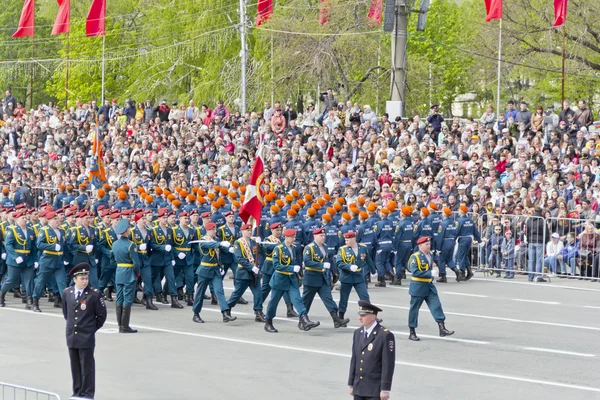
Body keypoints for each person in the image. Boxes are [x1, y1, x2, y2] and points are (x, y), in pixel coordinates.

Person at [62, 262, 107, 400]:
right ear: (74, 279)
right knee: (75, 367)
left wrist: (90, 329)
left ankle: (87, 394)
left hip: (86, 336)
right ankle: (77, 393)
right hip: (72, 336)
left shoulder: (94, 294)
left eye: (86, 278)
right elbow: (66, 313)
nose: (84, 281)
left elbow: (101, 316)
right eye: (82, 278)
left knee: (87, 368)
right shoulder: (67, 293)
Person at [264, 229, 320, 333]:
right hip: (280, 280)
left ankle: (305, 320)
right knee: (273, 302)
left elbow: (294, 261)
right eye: (292, 237)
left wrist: (298, 271)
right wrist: (292, 268)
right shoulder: (278, 249)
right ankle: (268, 322)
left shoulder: (294, 248)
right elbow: (276, 265)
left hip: (291, 279)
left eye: (294, 237)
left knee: (297, 299)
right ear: (286, 237)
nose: (294, 239)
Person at [407, 236, 454, 341]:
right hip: (418, 286)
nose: (429, 246)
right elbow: (414, 271)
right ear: (420, 246)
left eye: (429, 244)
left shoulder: (429, 255)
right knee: (414, 310)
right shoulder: (415, 257)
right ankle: (412, 331)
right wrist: (429, 273)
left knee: (436, 306)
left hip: (429, 286)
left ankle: (442, 328)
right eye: (426, 244)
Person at [302, 228, 349, 328]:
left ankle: (336, 319)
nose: (323, 237)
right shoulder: (309, 248)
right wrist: (321, 265)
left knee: (328, 299)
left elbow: (329, 261)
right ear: (315, 236)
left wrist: (333, 273)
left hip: (323, 278)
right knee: (306, 301)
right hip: (311, 278)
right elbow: (307, 262)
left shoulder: (325, 247)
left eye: (324, 235)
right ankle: (303, 321)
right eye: (321, 236)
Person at [348, 300, 395, 400]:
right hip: (359, 386)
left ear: (373, 317)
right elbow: (354, 359)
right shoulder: (358, 333)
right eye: (360, 315)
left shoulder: (385, 335)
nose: (359, 318)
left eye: (363, 315)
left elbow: (388, 364)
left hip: (374, 389)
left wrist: (385, 388)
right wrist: (351, 383)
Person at [227, 223, 266, 321]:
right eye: (247, 230)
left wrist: (260, 245)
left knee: (258, 293)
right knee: (237, 294)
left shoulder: (254, 242)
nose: (249, 232)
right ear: (242, 231)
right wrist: (251, 268)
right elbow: (240, 258)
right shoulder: (238, 243)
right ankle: (227, 309)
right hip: (244, 272)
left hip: (254, 273)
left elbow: (262, 253)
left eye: (250, 230)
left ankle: (258, 312)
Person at [336, 231, 374, 321]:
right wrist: (349, 266)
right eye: (345, 240)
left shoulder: (363, 248)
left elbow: (368, 259)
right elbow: (338, 263)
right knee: (344, 298)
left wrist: (373, 271)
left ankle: (370, 316)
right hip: (346, 277)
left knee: (364, 297)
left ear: (353, 239)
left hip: (359, 276)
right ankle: (341, 316)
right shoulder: (342, 249)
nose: (346, 242)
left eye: (348, 240)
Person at [112, 218, 141, 333]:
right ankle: (124, 326)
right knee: (127, 299)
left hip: (119, 271)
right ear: (125, 230)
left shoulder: (115, 244)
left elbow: (112, 260)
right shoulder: (131, 245)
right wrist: (137, 273)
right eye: (129, 228)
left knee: (119, 298)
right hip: (129, 272)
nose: (130, 230)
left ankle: (120, 325)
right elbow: (136, 263)